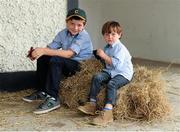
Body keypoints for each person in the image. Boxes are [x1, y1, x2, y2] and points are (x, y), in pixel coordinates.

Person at [22, 8, 93, 114]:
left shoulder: (84, 36)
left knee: (56, 60)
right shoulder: (63, 33)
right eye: (72, 24)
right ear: (66, 22)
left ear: (84, 25)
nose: (75, 27)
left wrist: (44, 50)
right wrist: (36, 53)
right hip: (67, 62)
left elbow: (69, 54)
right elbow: (50, 48)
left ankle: (53, 98)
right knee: (44, 57)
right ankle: (43, 91)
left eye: (79, 25)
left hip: (81, 65)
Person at [78, 21, 133, 126]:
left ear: (119, 35)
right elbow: (103, 60)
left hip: (123, 73)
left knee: (111, 84)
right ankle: (92, 104)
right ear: (104, 35)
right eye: (107, 34)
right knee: (97, 77)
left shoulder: (120, 48)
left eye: (113, 34)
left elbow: (116, 64)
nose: (110, 37)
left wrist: (103, 55)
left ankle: (108, 112)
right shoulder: (107, 47)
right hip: (111, 71)